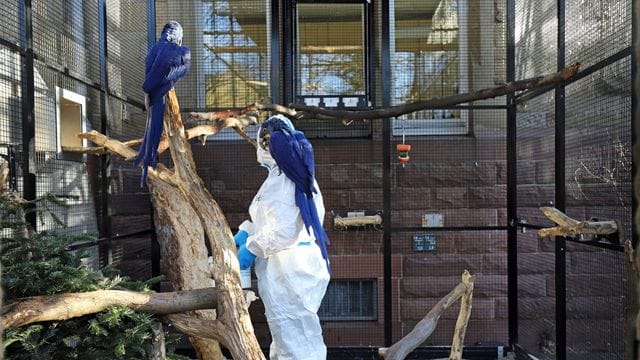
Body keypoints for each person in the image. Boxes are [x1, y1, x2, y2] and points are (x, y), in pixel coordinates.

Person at [234, 115, 330, 360]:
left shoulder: (290, 180)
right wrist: (247, 230)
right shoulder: (277, 177)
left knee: (298, 345)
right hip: (281, 272)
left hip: (291, 273)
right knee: (285, 340)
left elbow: (286, 231)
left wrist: (251, 248)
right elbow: (270, 219)